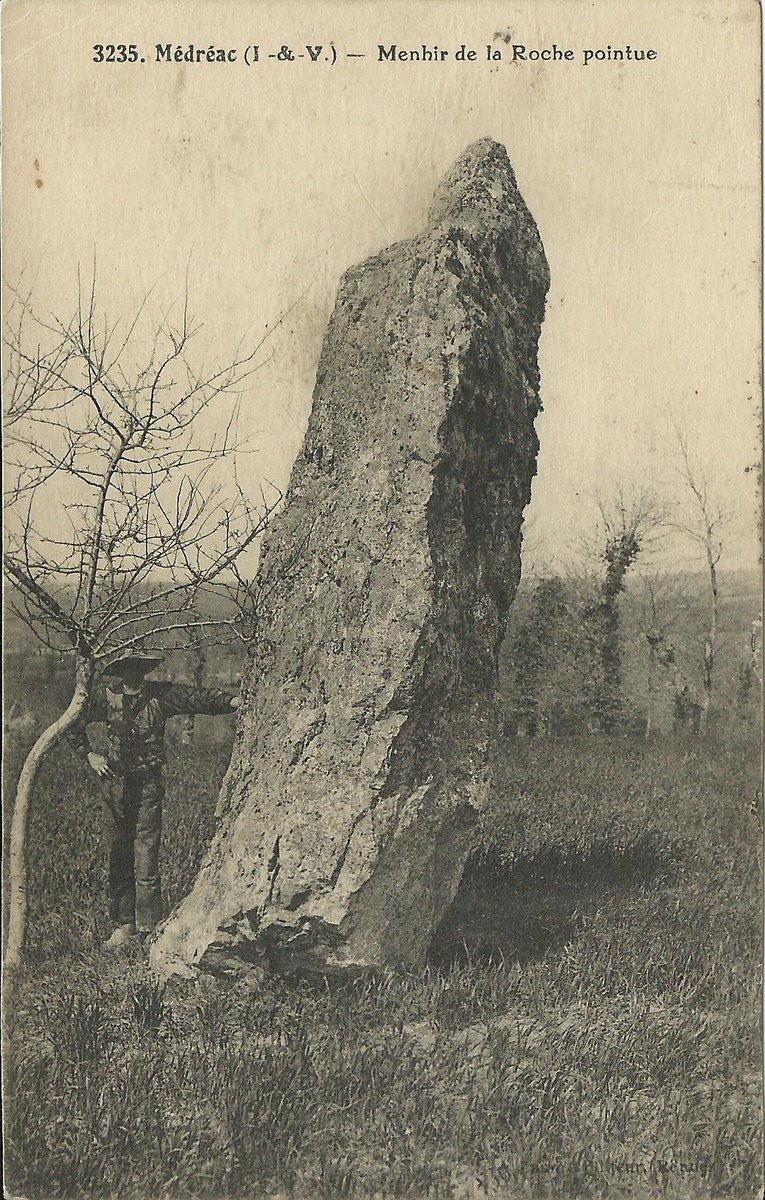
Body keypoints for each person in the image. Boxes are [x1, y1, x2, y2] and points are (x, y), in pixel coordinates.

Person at [67, 652, 239, 949]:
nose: (133, 675)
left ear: (145, 671)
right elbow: (72, 720)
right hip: (116, 787)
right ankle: (124, 926)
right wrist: (89, 754)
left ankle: (149, 928)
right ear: (120, 672)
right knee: (119, 853)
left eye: (138, 669)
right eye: (127, 669)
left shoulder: (159, 696)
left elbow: (194, 699)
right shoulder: (105, 697)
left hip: (148, 786)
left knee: (146, 854)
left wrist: (232, 702)